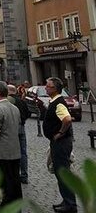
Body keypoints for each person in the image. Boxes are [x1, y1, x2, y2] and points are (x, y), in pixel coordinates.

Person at [43, 77, 76, 212]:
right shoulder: (54, 101)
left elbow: (67, 119)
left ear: (55, 89)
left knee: (62, 172)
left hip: (61, 143)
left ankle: (70, 204)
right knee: (59, 172)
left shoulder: (59, 103)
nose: (45, 88)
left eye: (48, 86)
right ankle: (66, 200)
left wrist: (60, 133)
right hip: (58, 142)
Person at [0, 81, 22, 208]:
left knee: (5, 182)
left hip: (3, 151)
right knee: (15, 180)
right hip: (15, 149)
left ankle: (6, 206)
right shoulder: (15, 108)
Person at [7, 84, 30, 184]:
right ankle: (24, 175)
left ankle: (14, 174)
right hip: (21, 128)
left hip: (12, 128)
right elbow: (28, 113)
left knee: (12, 151)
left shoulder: (8, 102)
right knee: (23, 152)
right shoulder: (21, 101)